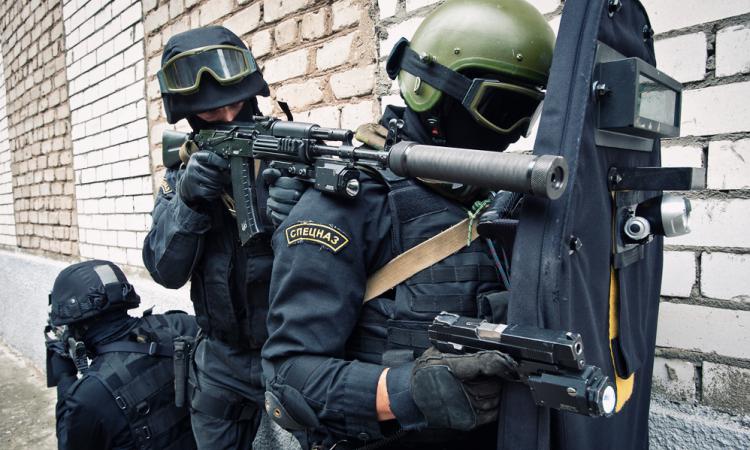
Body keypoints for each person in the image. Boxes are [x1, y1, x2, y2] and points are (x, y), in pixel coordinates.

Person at [261, 0, 555, 449]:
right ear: (430, 91)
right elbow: (288, 377)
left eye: (527, 113)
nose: (514, 132)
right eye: (501, 108)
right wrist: (408, 392)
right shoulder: (350, 202)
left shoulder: (497, 197)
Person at [142, 25, 304, 449]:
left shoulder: (291, 155)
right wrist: (188, 203)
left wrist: (305, 214)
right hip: (219, 360)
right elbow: (165, 271)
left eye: (236, 104)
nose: (230, 118)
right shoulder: (182, 171)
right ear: (189, 115)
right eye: (213, 113)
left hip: (292, 353)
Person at [46, 259, 198, 450]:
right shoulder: (178, 324)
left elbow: (69, 443)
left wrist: (64, 377)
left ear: (78, 325)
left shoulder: (89, 394)